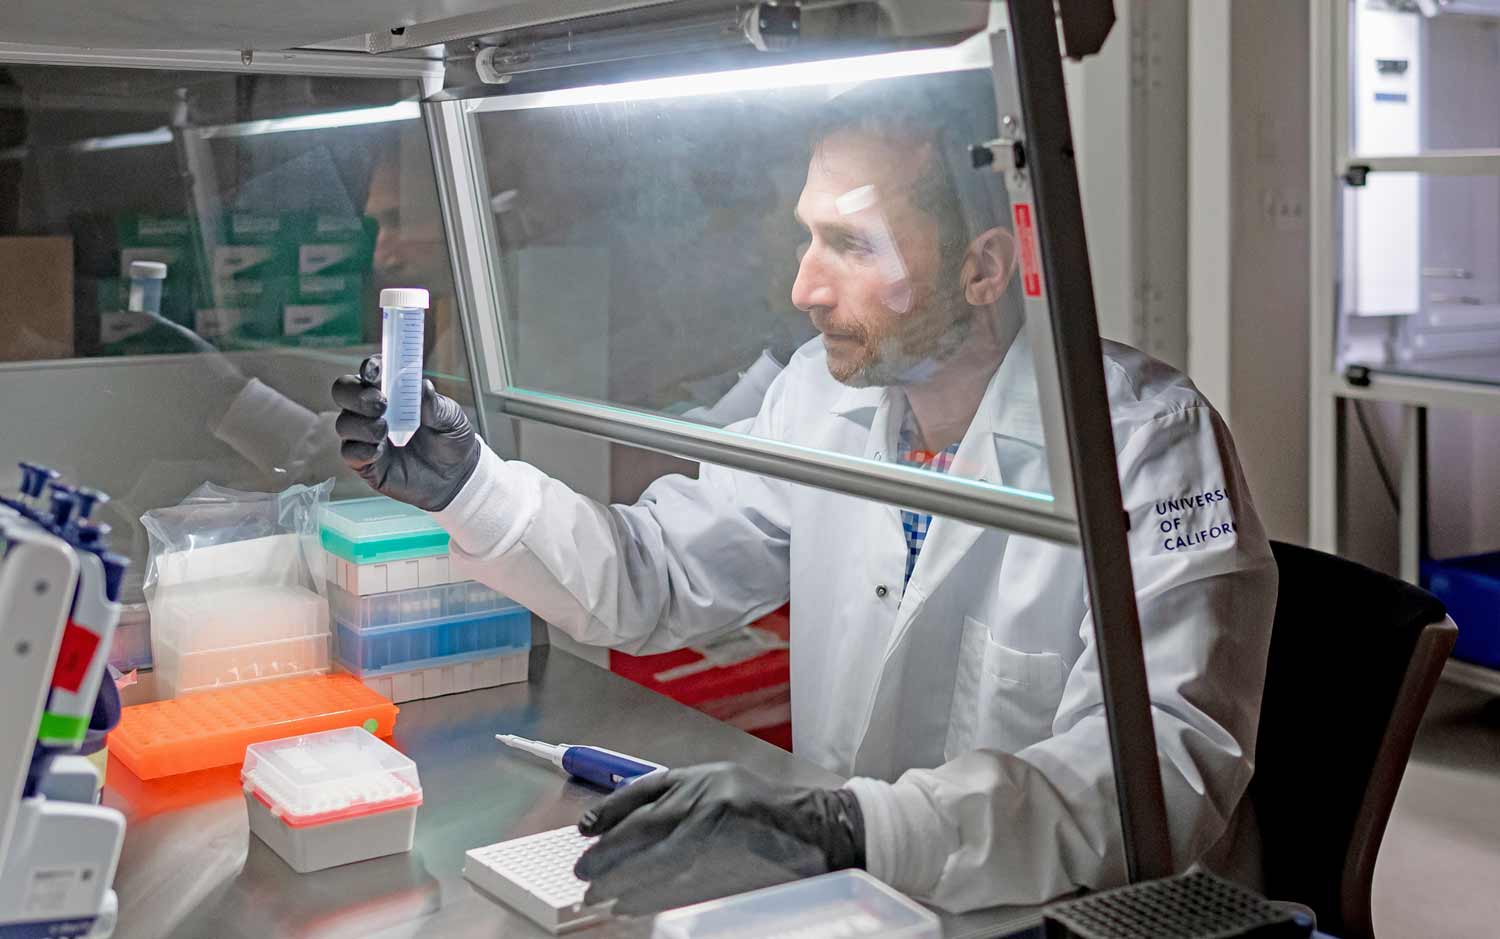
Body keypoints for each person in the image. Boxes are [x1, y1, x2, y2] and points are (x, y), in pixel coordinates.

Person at [331, 75, 1277, 914]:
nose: (803, 288)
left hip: (1053, 917)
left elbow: (1159, 780)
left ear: (983, 267)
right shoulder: (823, 399)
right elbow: (654, 576)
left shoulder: (1147, 443)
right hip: (856, 901)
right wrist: (473, 487)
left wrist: (844, 824)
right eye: (804, 238)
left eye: (848, 244)